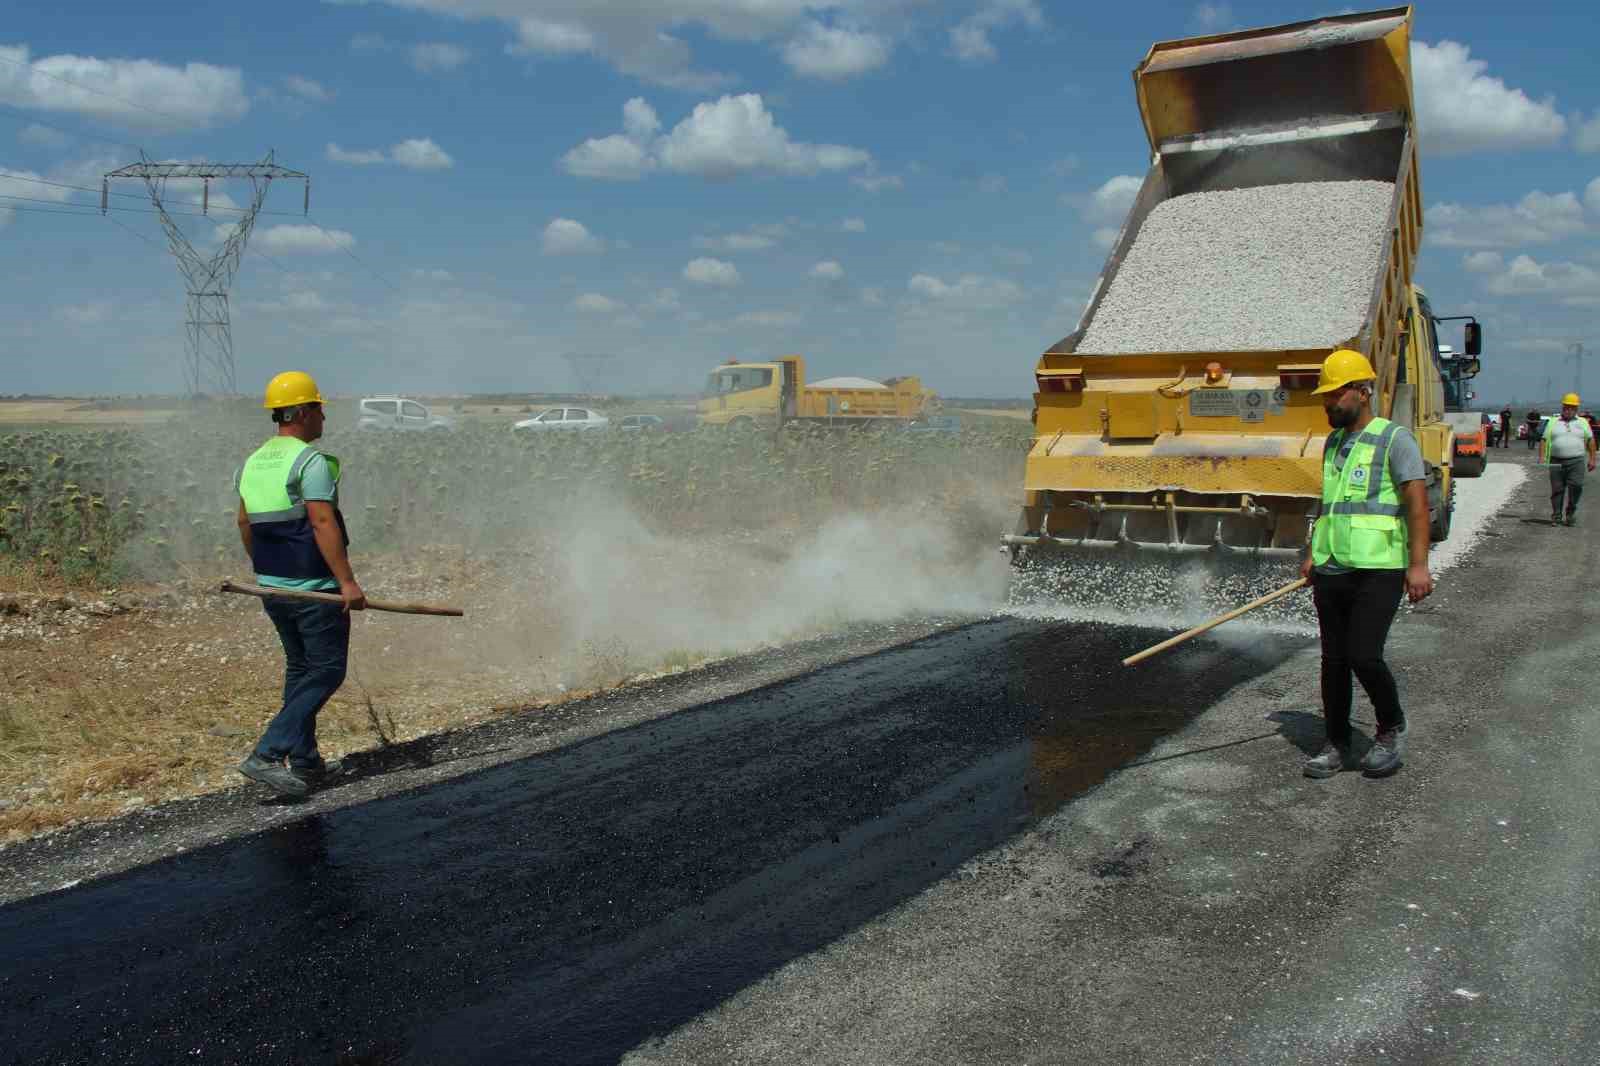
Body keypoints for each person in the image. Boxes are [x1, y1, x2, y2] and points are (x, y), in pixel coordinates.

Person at [1298, 348, 1433, 780]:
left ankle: (1391, 727)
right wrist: (1312, 552)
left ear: (1362, 391)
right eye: (1325, 396)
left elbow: (1417, 505)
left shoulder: (1395, 439)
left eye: (1335, 394)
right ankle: (1337, 742)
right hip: (1332, 566)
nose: (1328, 403)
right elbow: (1330, 504)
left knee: (1364, 655)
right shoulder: (1333, 443)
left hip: (1379, 568)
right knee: (1334, 661)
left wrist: (1418, 565)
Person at [236, 371, 366, 797]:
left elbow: (244, 523)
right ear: (303, 412)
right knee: (327, 670)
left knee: (301, 669)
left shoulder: (253, 462)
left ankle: (307, 762)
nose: (324, 416)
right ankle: (267, 754)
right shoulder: (310, 462)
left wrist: (266, 572)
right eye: (319, 408)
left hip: (273, 587)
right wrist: (346, 582)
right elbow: (322, 521)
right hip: (314, 589)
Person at [1542, 392, 1597, 527]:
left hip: (1576, 461)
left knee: (1576, 486)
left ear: (1576, 409)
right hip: (1556, 461)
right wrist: (1542, 457)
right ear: (1563, 407)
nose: (1569, 409)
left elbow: (1590, 441)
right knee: (1557, 489)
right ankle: (1556, 516)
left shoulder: (1583, 422)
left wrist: (1592, 459)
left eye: (1572, 407)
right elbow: (1544, 440)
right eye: (1567, 407)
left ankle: (1570, 512)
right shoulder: (1553, 422)